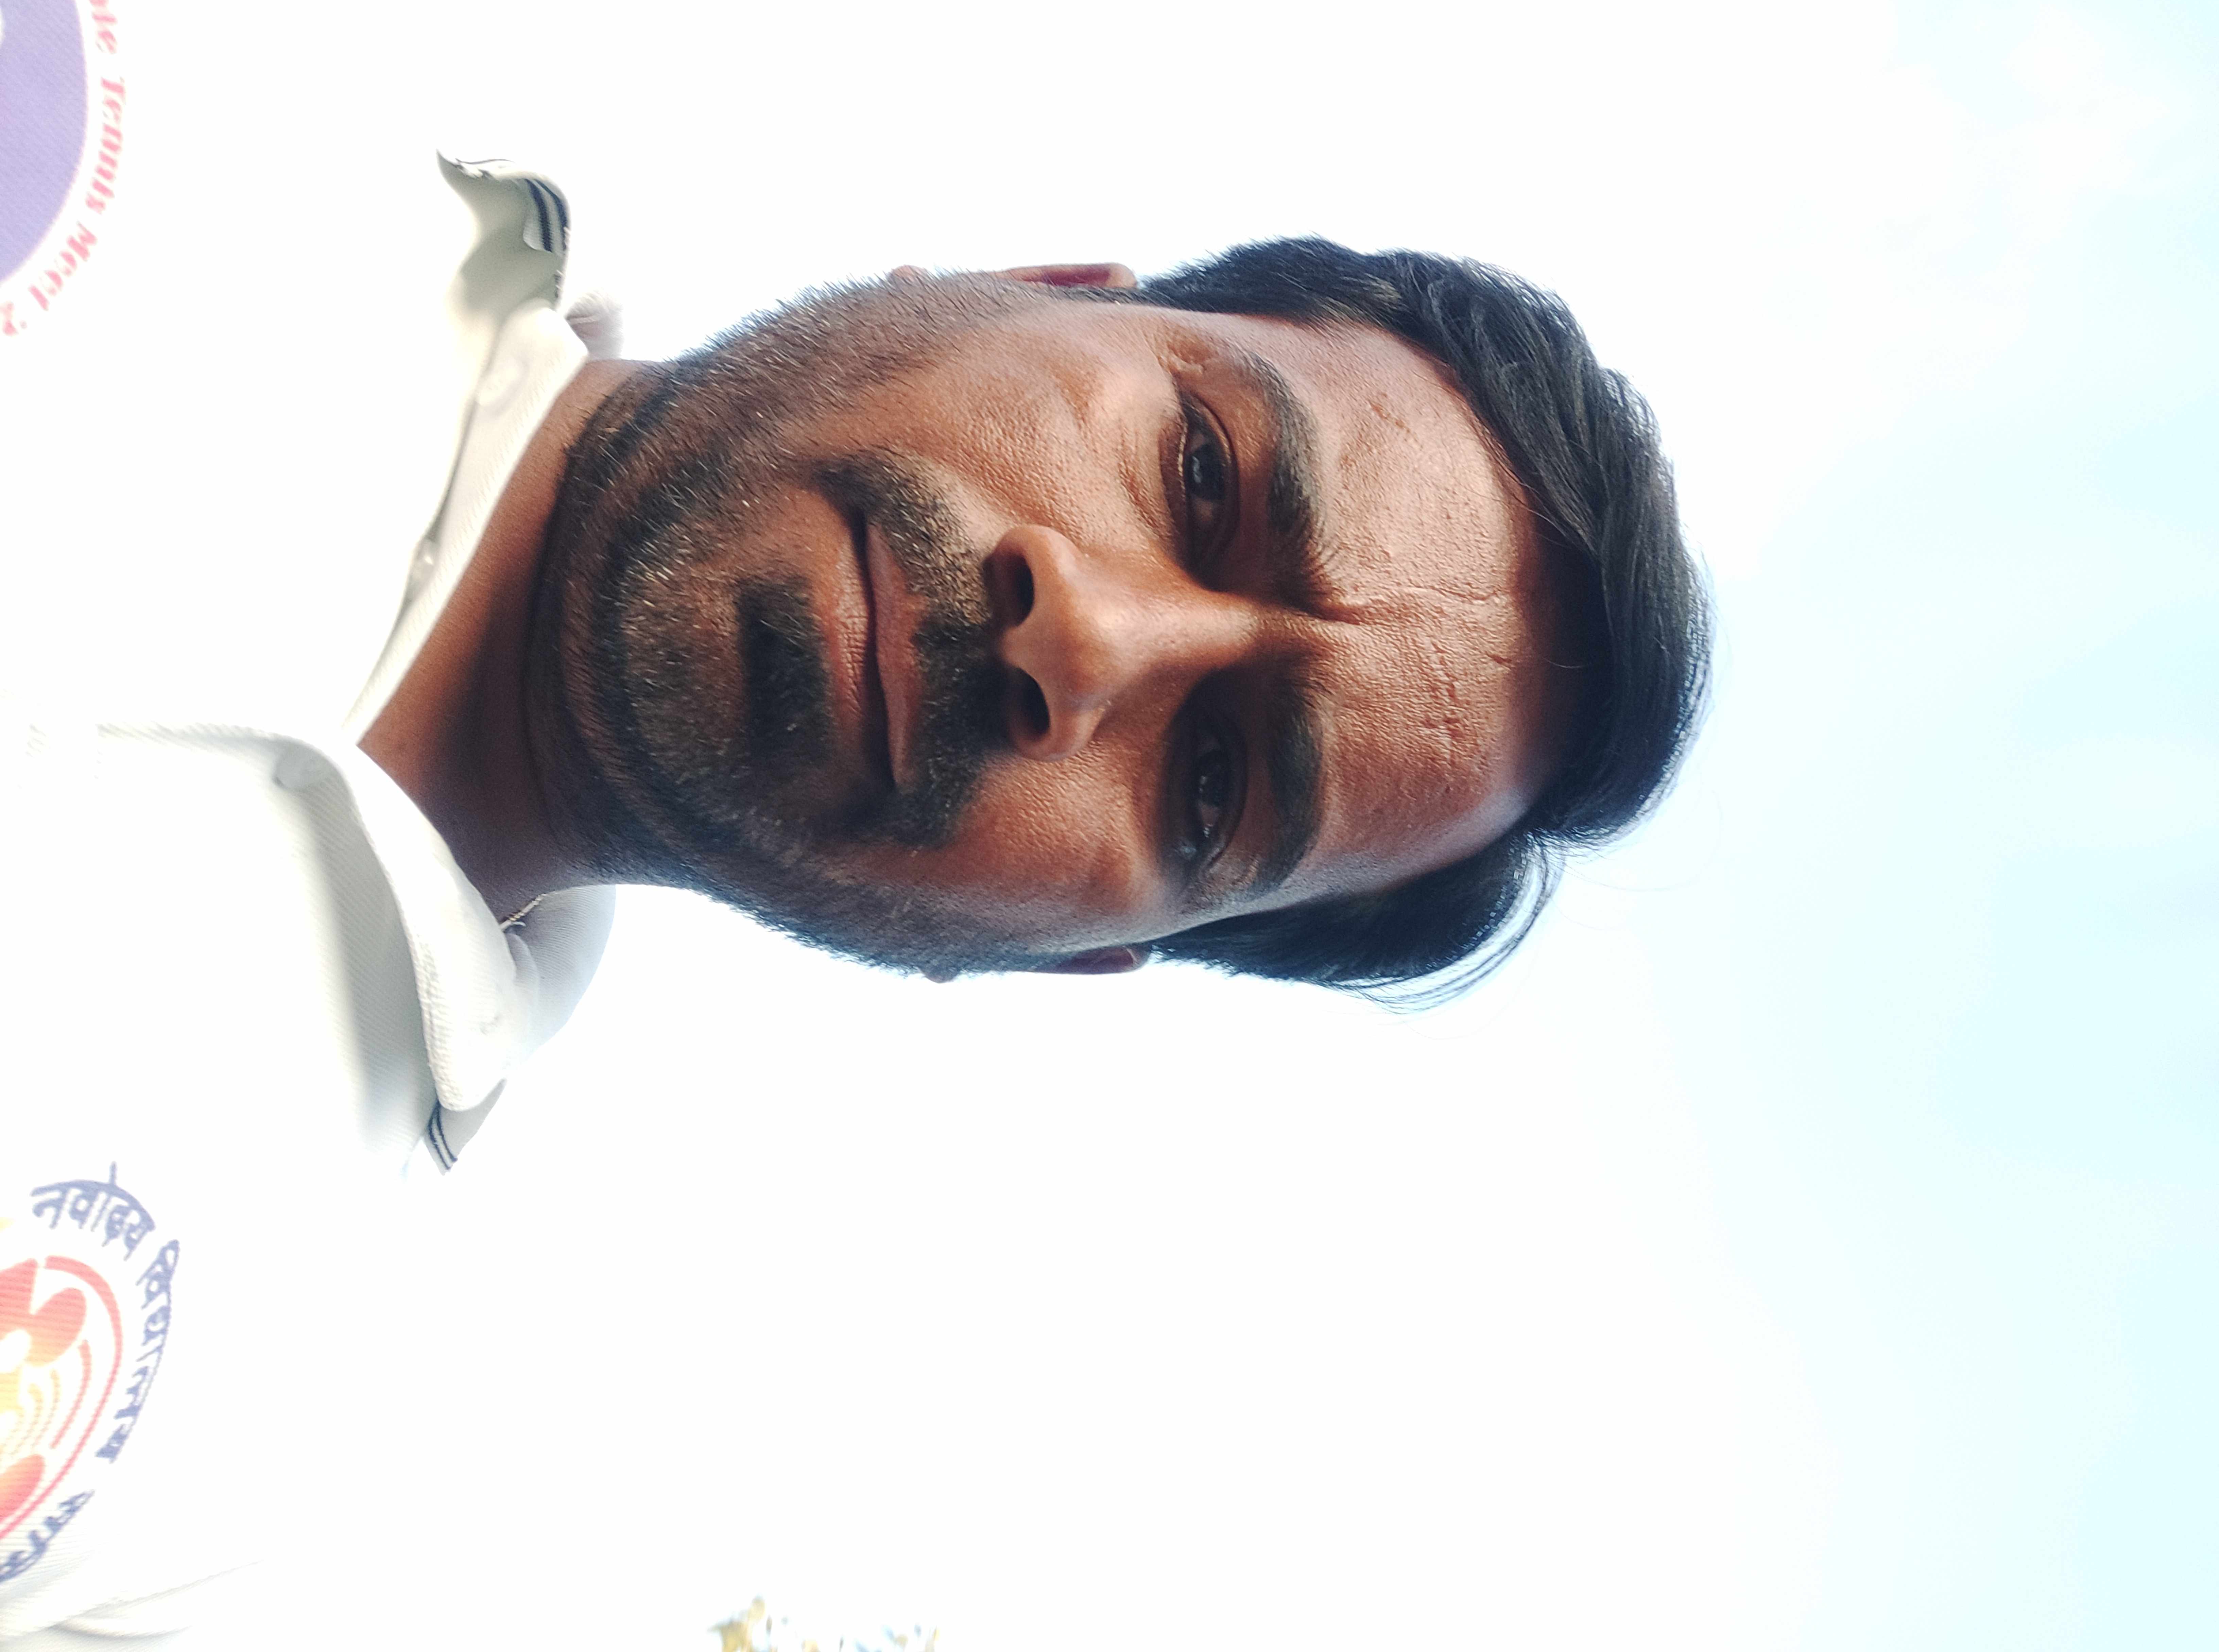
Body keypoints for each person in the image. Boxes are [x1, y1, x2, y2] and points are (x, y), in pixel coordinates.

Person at [2, 121, 1707, 1652]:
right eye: (1200, 472)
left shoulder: (223, 1481)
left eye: (1212, 781)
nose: (1086, 638)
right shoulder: (226, 83)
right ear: (1033, 285)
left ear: (1073, 953)